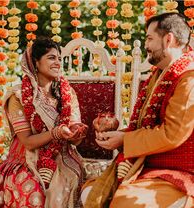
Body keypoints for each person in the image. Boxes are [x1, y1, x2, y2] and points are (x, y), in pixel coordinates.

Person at [83, 12, 194, 207]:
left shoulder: (188, 78)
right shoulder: (160, 73)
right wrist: (119, 136)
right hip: (148, 166)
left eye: (150, 39)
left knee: (124, 203)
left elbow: (172, 134)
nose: (145, 45)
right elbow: (148, 126)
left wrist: (125, 139)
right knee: (90, 192)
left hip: (177, 170)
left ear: (168, 40)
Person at [0, 37, 88, 208]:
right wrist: (56, 132)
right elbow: (27, 142)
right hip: (25, 161)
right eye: (51, 58)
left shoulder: (68, 94)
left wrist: (77, 133)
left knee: (71, 183)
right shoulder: (17, 96)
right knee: (34, 191)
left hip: (63, 157)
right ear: (35, 63)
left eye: (59, 59)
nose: (57, 63)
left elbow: (75, 139)